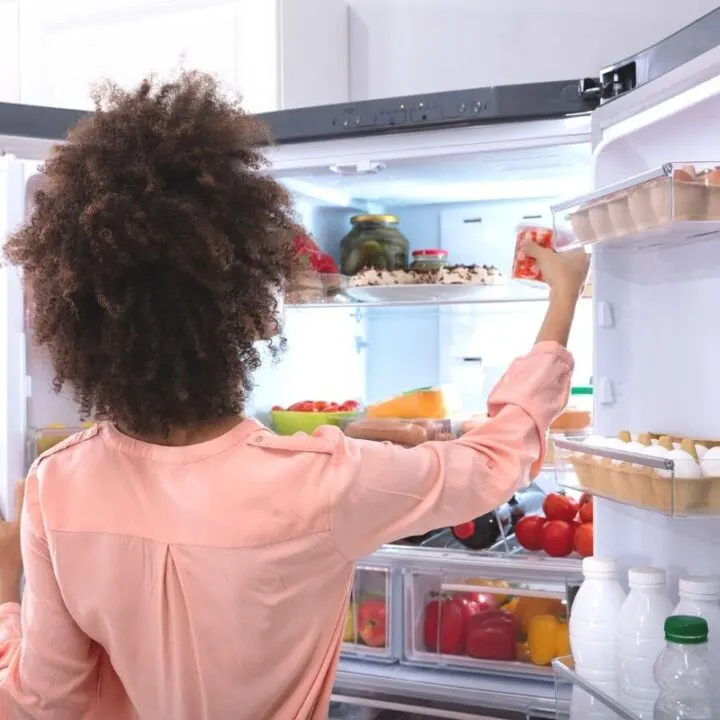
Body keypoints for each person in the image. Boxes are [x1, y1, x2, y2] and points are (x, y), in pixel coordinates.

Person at [0, 71, 589, 720]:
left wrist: (7, 598)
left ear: (79, 314)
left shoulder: (57, 484)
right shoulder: (318, 481)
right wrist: (562, 297)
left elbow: (45, 702)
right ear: (249, 309)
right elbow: (488, 466)